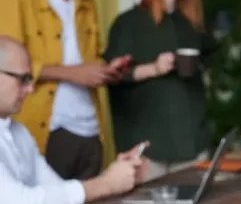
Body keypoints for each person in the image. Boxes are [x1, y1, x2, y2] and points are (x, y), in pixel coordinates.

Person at [0, 0, 131, 180]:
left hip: (91, 132)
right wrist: (73, 74)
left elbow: (88, 59)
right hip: (47, 132)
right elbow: (6, 67)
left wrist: (106, 71)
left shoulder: (87, 4)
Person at [103, 0, 216, 182]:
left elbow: (210, 59)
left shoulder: (191, 25)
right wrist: (154, 68)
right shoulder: (128, 23)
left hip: (192, 144)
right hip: (148, 150)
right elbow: (112, 75)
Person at [0, 36, 149, 204]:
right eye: (23, 79)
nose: (30, 88)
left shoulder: (19, 133)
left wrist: (116, 177)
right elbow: (20, 201)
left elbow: (57, 190)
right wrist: (106, 184)